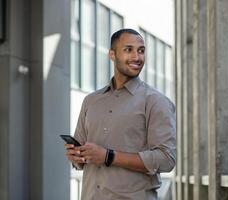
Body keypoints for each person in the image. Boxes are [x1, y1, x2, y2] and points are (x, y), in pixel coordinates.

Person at [64, 28, 176, 200]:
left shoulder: (156, 101)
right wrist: (77, 157)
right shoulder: (91, 101)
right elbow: (81, 156)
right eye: (128, 50)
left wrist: (109, 156)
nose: (137, 57)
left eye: (141, 51)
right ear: (112, 54)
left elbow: (166, 159)